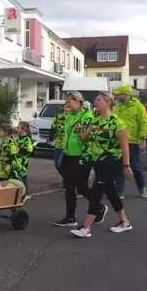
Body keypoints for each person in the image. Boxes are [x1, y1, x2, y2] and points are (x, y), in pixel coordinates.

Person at [70, 92, 133, 238]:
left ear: (108, 102)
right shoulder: (95, 121)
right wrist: (80, 131)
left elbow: (125, 145)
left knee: (96, 191)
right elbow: (85, 139)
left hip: (111, 161)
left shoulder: (116, 122)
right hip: (97, 161)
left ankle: (86, 227)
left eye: (98, 100)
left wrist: (126, 165)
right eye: (95, 100)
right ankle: (124, 222)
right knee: (110, 192)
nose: (95, 102)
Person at [53, 91, 107, 228]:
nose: (67, 104)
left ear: (78, 101)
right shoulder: (70, 115)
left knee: (81, 188)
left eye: (69, 102)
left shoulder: (87, 116)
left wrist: (84, 159)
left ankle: (99, 207)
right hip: (68, 154)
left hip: (81, 157)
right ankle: (70, 217)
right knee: (70, 187)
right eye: (66, 102)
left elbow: (88, 139)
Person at [112, 85, 147, 199]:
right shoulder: (116, 107)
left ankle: (142, 189)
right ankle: (120, 191)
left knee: (135, 167)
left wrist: (143, 139)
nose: (116, 96)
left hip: (132, 141)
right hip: (118, 141)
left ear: (126, 94)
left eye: (119, 94)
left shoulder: (138, 106)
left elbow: (143, 123)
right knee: (118, 166)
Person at [49, 103, 68, 189]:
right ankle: (66, 178)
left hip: (68, 145)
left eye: (69, 107)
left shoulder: (73, 118)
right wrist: (51, 140)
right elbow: (53, 128)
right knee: (57, 164)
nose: (67, 109)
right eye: (66, 107)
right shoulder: (58, 117)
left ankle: (68, 181)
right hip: (59, 143)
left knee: (67, 164)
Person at [15, 121, 33, 198]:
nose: (17, 129)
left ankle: (27, 193)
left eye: (18, 127)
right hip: (17, 160)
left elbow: (30, 150)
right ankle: (19, 192)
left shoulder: (27, 139)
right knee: (17, 176)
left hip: (23, 161)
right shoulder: (18, 138)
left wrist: (20, 148)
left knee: (23, 176)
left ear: (24, 129)